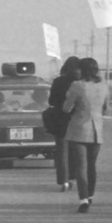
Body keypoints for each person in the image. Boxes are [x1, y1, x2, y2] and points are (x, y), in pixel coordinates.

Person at [62, 57, 108, 213]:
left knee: (80, 166)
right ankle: (90, 196)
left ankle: (83, 200)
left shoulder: (77, 85)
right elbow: (105, 108)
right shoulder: (103, 86)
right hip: (97, 130)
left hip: (79, 129)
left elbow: (66, 108)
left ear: (81, 70)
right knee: (91, 166)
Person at [47, 55, 81, 192]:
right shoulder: (81, 83)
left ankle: (64, 181)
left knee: (62, 151)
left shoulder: (58, 82)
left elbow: (51, 101)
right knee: (77, 152)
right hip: (78, 120)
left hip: (60, 120)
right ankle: (74, 176)